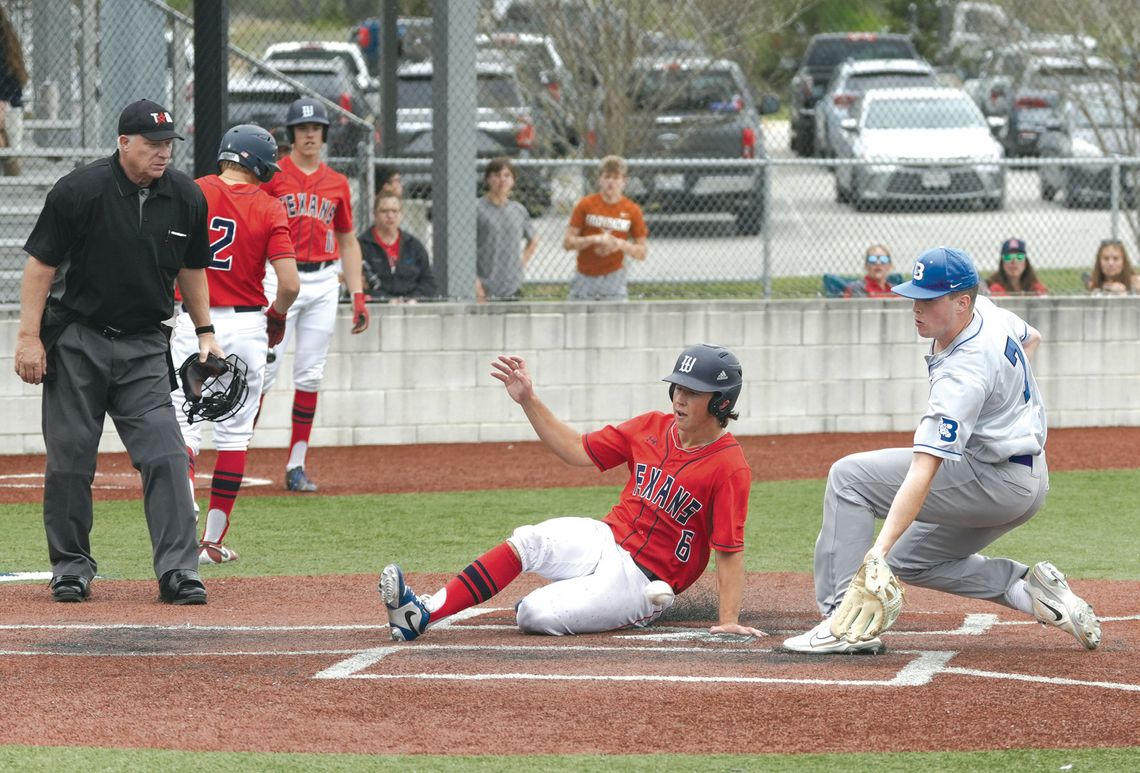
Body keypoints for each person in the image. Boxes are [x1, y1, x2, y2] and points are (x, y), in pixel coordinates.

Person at [784, 247, 1101, 654]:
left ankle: (840, 621)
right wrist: (1001, 403)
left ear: (960, 302)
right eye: (915, 296)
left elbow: (924, 468)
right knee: (909, 559)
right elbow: (1031, 338)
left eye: (928, 299)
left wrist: (877, 550)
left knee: (850, 479)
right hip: (1027, 479)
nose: (916, 307)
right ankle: (1026, 590)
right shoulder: (987, 311)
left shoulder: (964, 373)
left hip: (993, 480)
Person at [377, 344, 765, 641]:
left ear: (721, 402)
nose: (680, 398)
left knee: (534, 614)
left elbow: (728, 550)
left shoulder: (729, 466)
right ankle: (421, 613)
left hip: (642, 584)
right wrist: (528, 399)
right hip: (605, 537)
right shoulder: (651, 425)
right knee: (529, 540)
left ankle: (571, 601)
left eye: (693, 392)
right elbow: (576, 449)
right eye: (678, 388)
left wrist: (729, 620)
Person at [14, 99, 219, 604]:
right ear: (123, 143)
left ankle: (178, 571)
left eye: (169, 144)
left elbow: (192, 269)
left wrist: (206, 330)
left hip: (145, 345)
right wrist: (28, 337)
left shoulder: (187, 197)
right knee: (69, 461)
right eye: (152, 144)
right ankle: (71, 567)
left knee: (167, 455)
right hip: (77, 341)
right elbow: (40, 266)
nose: (163, 153)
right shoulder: (79, 191)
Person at [171, 124, 300, 564]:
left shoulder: (192, 191)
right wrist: (277, 320)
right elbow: (289, 285)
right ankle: (210, 542)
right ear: (259, 163)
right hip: (246, 327)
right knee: (233, 437)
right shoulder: (269, 207)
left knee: (183, 428)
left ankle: (179, 520)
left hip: (194, 320)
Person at [261, 97, 369, 493]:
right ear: (291, 135)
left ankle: (296, 465)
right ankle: (236, 453)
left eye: (316, 129)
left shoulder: (337, 183)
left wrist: (357, 293)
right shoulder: (273, 176)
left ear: (324, 135)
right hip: (278, 276)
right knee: (264, 372)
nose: (309, 135)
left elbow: (347, 239)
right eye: (303, 129)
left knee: (310, 374)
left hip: (324, 279)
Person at [563, 155, 648, 301]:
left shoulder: (632, 210)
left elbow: (642, 252)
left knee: (616, 320)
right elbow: (568, 243)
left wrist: (619, 244)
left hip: (614, 276)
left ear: (624, 181)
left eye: (616, 178)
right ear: (600, 180)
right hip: (585, 275)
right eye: (607, 177)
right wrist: (594, 239)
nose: (611, 182)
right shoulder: (586, 205)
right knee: (579, 320)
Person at [476, 157, 538, 302]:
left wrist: (521, 264)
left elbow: (533, 239)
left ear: (513, 181)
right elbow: (463, 249)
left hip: (512, 286)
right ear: (488, 179)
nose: (502, 180)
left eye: (507, 175)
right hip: (483, 287)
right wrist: (476, 285)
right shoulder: (477, 209)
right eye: (497, 175)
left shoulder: (518, 210)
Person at [359, 192, 436, 302]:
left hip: (411, 307)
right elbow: (360, 284)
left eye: (395, 211)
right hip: (376, 306)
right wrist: (387, 300)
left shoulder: (413, 245)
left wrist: (413, 299)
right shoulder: (362, 245)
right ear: (374, 214)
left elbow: (428, 281)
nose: (390, 216)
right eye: (384, 211)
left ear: (401, 214)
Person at [0, 6, 27, 176]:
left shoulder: (5, 44)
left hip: (9, 105)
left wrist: (3, 103)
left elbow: (11, 79)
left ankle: (10, 161)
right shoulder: (9, 39)